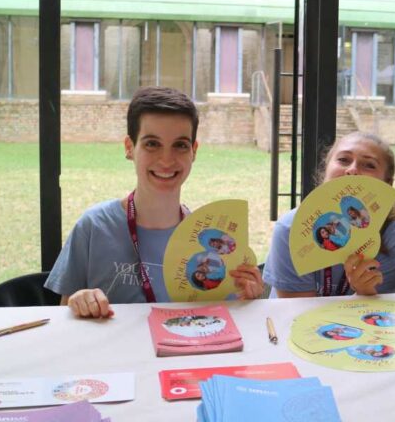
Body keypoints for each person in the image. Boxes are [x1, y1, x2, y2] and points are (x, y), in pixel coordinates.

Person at [45, 86, 264, 318]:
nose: (166, 160)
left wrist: (247, 300)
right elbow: (65, 316)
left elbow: (221, 319)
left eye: (180, 145)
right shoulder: (94, 227)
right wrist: (79, 302)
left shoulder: (209, 240)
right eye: (152, 144)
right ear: (129, 148)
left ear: (194, 151)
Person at [263, 132, 395, 297]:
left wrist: (365, 293)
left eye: (369, 165)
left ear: (387, 184)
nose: (353, 170)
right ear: (326, 169)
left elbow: (383, 311)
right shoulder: (290, 229)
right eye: (343, 160)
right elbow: (296, 308)